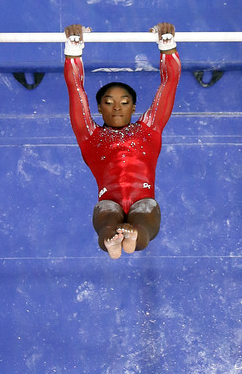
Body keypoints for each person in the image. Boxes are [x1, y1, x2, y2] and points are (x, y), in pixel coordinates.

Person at [63, 22, 181, 259]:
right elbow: (75, 88)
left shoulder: (150, 128)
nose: (117, 107)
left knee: (142, 220)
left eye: (124, 102)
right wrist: (73, 49)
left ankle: (133, 236)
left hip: (143, 201)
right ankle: (115, 240)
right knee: (108, 221)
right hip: (108, 202)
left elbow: (170, 83)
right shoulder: (88, 134)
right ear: (98, 107)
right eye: (108, 102)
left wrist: (167, 47)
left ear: (134, 107)